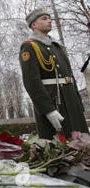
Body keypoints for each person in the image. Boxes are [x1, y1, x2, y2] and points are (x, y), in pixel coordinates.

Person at [20, 8, 88, 139]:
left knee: (83, 143)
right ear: (34, 25)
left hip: (71, 99)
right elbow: (31, 82)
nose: (49, 21)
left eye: (49, 18)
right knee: (60, 145)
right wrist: (48, 110)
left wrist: (78, 103)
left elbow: (70, 76)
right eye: (44, 18)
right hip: (54, 100)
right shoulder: (30, 46)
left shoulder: (58, 47)